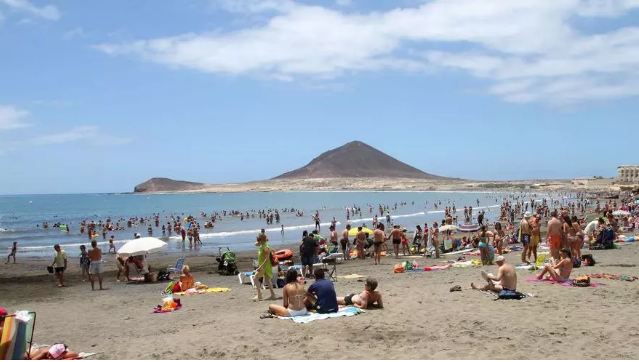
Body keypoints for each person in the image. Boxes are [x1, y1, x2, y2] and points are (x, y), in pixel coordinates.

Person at [254, 229, 276, 301]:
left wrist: (260, 266)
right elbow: (256, 244)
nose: (257, 241)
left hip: (265, 266)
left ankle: (259, 295)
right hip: (264, 265)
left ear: (262, 240)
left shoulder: (265, 247)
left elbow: (266, 259)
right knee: (267, 280)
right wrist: (258, 242)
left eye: (259, 240)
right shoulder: (262, 245)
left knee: (255, 278)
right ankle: (273, 295)